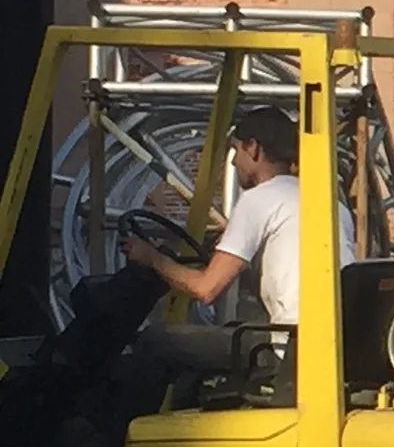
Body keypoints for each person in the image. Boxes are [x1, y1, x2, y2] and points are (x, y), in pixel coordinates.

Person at [123, 103, 355, 329]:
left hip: (291, 344)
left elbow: (206, 289)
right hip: (339, 337)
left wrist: (152, 258)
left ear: (253, 148)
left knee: (155, 341)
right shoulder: (331, 204)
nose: (233, 161)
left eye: (236, 150)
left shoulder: (259, 200)